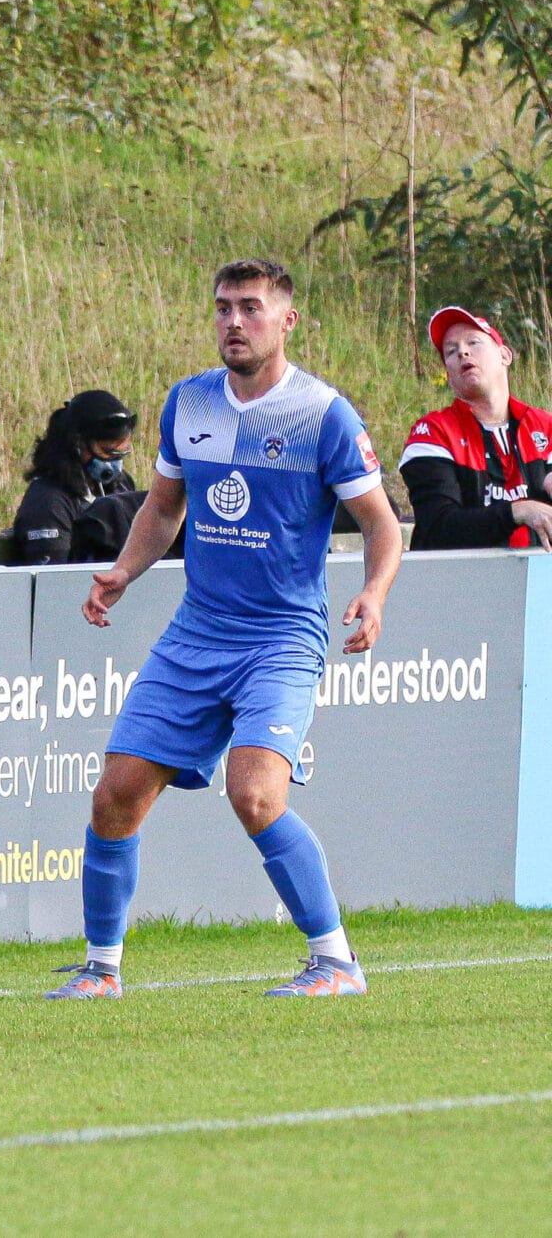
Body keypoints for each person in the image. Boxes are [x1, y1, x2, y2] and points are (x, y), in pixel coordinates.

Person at [50, 257, 402, 1001]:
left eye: (249, 307)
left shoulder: (325, 415)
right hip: (197, 632)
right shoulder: (190, 402)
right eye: (222, 308)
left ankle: (337, 961)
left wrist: (374, 593)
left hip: (281, 637)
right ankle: (101, 971)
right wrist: (123, 571)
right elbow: (163, 508)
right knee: (115, 793)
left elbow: (381, 523)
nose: (233, 322)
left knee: (255, 794)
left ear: (286, 320)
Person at [399, 307, 552, 550]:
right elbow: (437, 527)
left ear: (505, 355)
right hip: (460, 573)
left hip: (538, 571)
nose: (463, 352)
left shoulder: (545, 427)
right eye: (451, 351)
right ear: (449, 376)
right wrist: (518, 511)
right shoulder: (433, 432)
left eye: (473, 342)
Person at [8, 389, 149, 565]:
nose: (115, 464)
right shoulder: (48, 500)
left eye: (121, 454)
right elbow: (53, 576)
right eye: (107, 452)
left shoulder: (122, 484)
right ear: (77, 444)